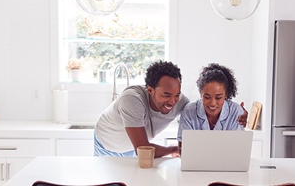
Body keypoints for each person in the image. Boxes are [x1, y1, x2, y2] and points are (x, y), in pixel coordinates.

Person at [94, 61, 248, 158]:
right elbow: (142, 148)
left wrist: (240, 115)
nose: (172, 101)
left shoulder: (182, 103)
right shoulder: (132, 100)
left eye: (177, 95)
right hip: (108, 145)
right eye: (166, 95)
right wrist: (175, 149)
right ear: (150, 90)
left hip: (136, 150)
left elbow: (197, 109)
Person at [177, 63, 244, 153]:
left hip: (228, 166)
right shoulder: (189, 111)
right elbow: (182, 150)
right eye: (207, 97)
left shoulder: (235, 111)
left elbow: (238, 150)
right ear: (200, 93)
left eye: (218, 97)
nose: (212, 103)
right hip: (196, 166)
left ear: (226, 95)